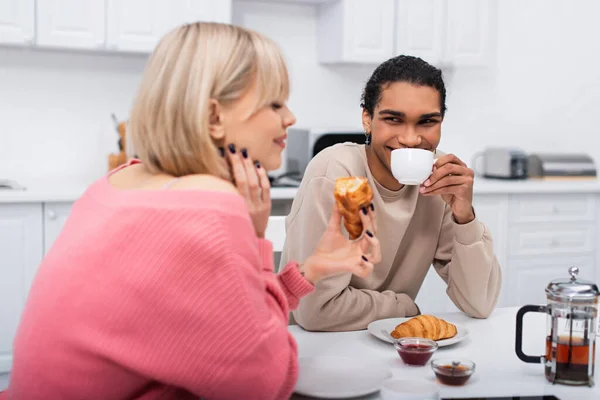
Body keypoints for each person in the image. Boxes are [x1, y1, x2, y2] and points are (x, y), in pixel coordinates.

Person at [1, 22, 381, 400]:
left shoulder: (118, 181)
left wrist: (312, 268)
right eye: (275, 103)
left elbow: (223, 327)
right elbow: (265, 383)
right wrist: (255, 239)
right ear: (215, 118)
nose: (290, 118)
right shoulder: (210, 204)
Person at [280, 55, 502, 332]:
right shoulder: (337, 172)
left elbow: (479, 303)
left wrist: (464, 217)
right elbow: (315, 312)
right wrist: (404, 308)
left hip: (388, 345)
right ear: (367, 119)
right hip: (316, 346)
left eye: (427, 122)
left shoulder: (439, 181)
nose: (410, 139)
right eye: (394, 119)